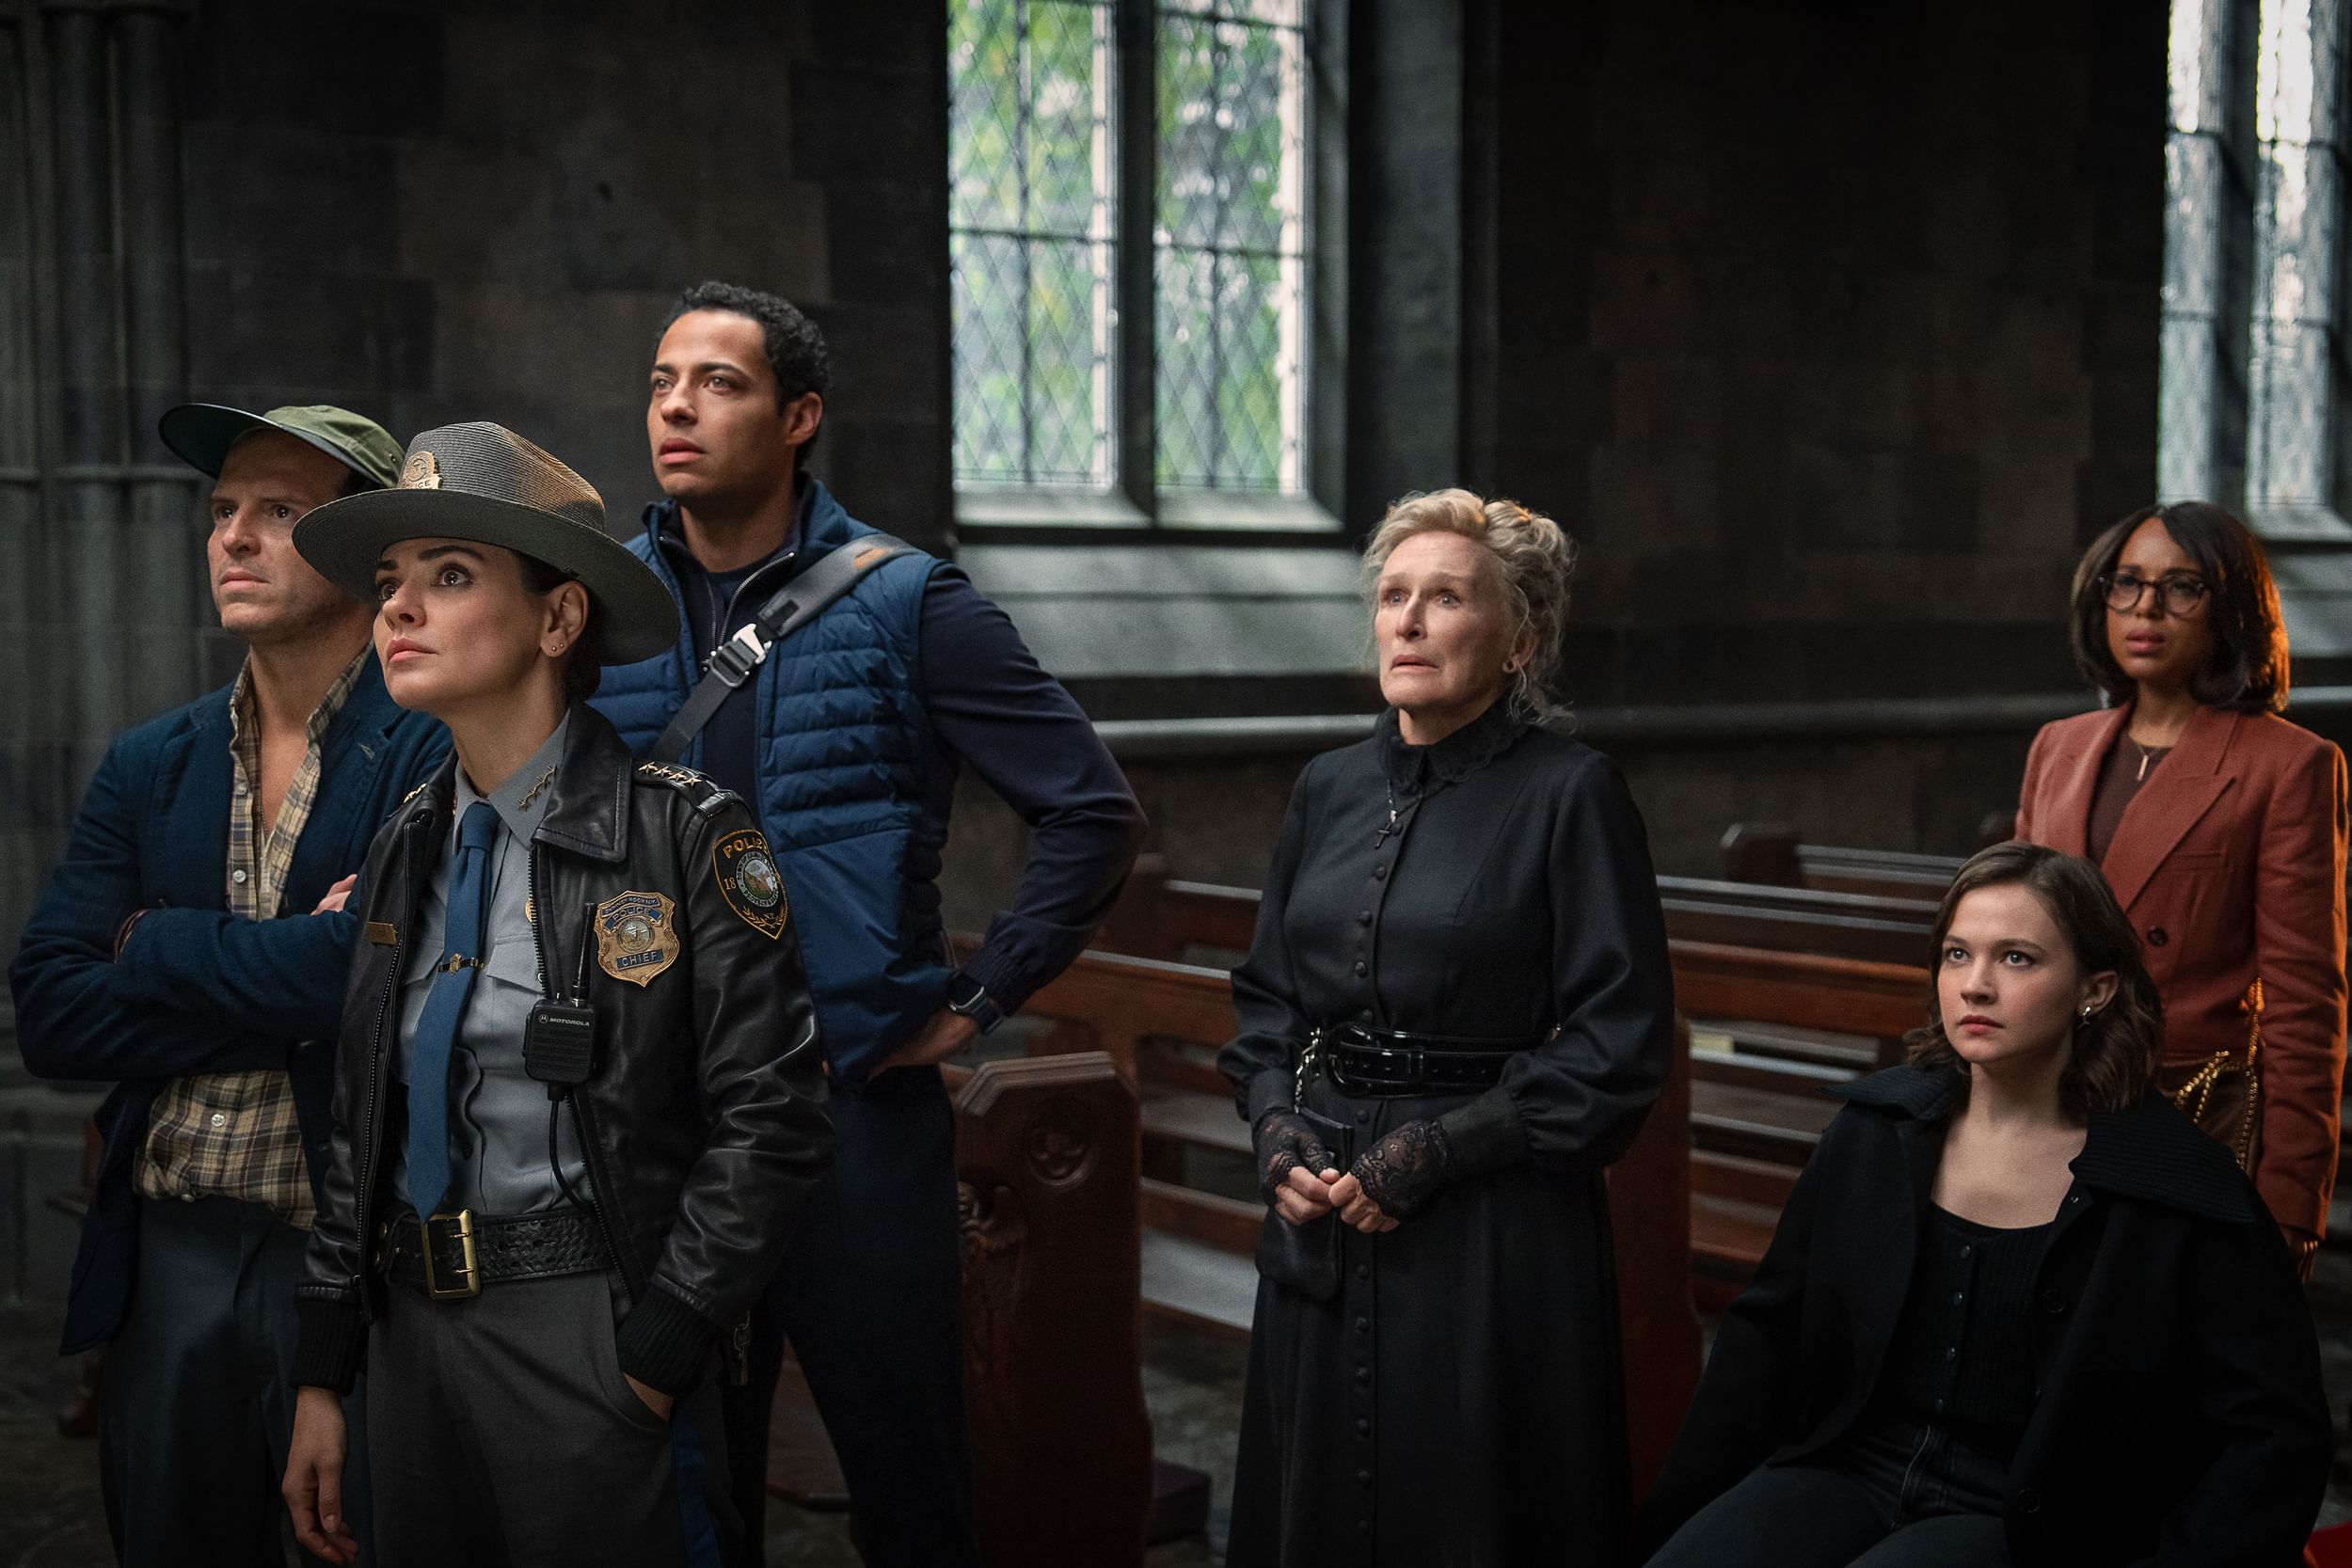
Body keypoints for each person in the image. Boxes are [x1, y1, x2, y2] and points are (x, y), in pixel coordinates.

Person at [592, 280, 1145, 1566]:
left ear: (800, 416)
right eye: (663, 381)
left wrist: (979, 997)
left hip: (847, 1114)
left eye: (719, 382)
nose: (677, 406)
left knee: (911, 1492)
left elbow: (1093, 812)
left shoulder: (907, 602)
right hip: (656, 1112)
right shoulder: (597, 606)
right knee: (686, 1497)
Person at [277, 422, 834, 1567]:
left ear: (558, 617)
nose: (397, 607)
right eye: (389, 579)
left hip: (588, 1322)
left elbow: (773, 1118)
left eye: (448, 574)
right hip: (409, 1332)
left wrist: (659, 1346)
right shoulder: (405, 842)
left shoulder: (681, 835)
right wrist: (324, 1370)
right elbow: (361, 1117)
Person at [1637, 842, 2331, 1567]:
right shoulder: (1876, 1133)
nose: (1975, 985)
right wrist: (1676, 1516)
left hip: (2026, 1515)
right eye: (1957, 954)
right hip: (1852, 1467)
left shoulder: (2176, 1186)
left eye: (2017, 958)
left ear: (2094, 989)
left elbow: (2275, 1432)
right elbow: (1765, 1339)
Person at [11, 403, 441, 1565]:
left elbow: (377, 984)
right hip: (171, 1255)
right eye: (222, 511)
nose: (233, 537)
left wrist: (149, 943)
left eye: (280, 511)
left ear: (364, 549)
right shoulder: (153, 760)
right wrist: (293, 972)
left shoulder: (428, 740)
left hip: (354, 1258)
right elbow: (51, 1009)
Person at [1214, 488, 1676, 1566]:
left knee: (1473, 1505)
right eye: (1392, 596)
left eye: (1447, 598)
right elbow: (1269, 994)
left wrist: (1439, 1149)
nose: (1409, 621)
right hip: (1326, 1198)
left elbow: (1617, 1043)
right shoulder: (1326, 786)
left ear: (1521, 641)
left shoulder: (1573, 792)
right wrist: (1276, 1128)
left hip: (1493, 1222)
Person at [2014, 500, 2347, 1272]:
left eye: (2182, 587)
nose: (2147, 608)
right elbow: (2015, 941)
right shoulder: (2057, 747)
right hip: (2044, 1106)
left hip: (2187, 1120)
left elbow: (2305, 1003)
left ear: (2233, 607)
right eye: (2127, 582)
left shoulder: (2289, 764)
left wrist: (2291, 1198)